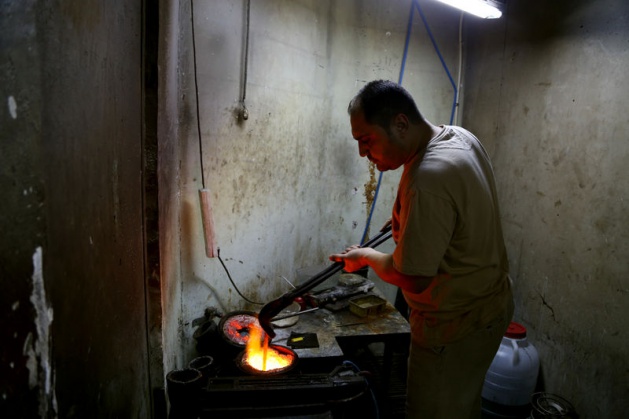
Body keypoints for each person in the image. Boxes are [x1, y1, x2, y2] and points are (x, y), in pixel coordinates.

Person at [329, 80, 514, 418]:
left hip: (455, 325)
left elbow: (411, 276)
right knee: (462, 406)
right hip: (490, 306)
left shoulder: (429, 178)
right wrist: (406, 218)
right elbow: (455, 210)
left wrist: (364, 257)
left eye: (366, 140)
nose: (362, 153)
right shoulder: (458, 136)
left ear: (400, 124)